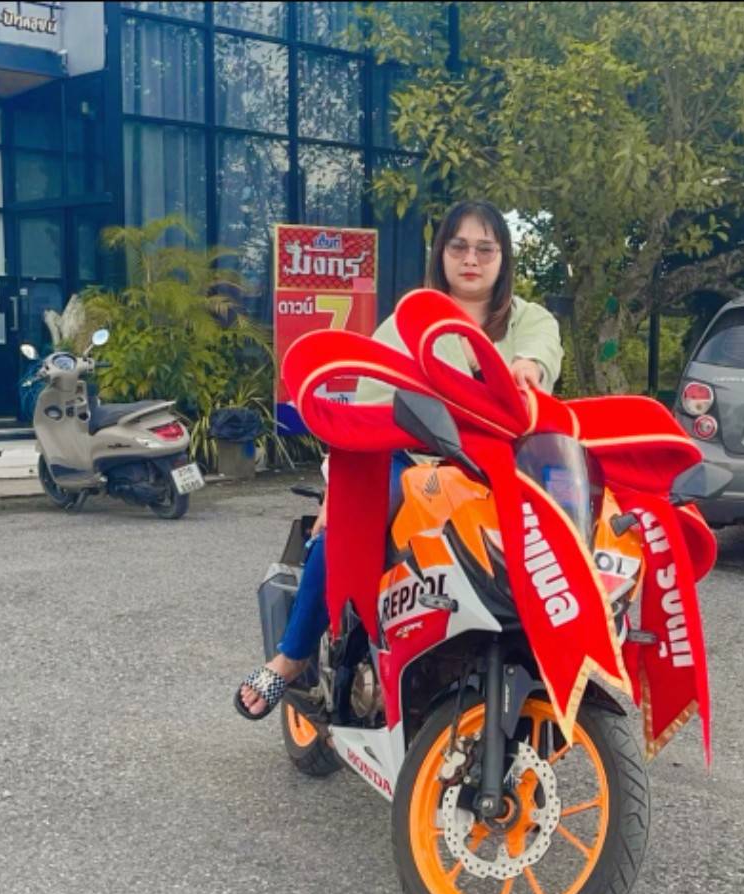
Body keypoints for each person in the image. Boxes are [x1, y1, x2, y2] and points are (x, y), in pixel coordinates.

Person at [235, 199, 564, 719]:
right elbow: (362, 412)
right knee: (347, 525)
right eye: (459, 246)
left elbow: (540, 353)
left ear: (503, 258)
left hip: (499, 467)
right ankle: (291, 658)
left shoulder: (528, 319)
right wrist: (336, 494)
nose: (471, 259)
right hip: (411, 459)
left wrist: (528, 369)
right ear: (441, 254)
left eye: (485, 249)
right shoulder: (410, 320)